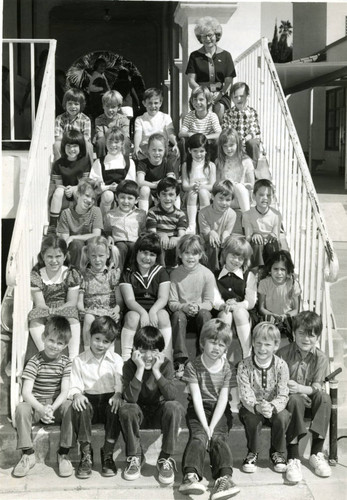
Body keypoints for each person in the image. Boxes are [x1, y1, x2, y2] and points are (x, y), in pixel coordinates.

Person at [179, 319, 240, 499]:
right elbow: (196, 397)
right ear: (202, 342)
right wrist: (205, 426)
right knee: (199, 437)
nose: (216, 348)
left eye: (222, 345)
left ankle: (224, 479)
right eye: (213, 342)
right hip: (199, 409)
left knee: (218, 438)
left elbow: (223, 399)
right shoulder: (193, 366)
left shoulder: (228, 368)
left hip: (220, 410)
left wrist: (212, 426)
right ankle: (190, 476)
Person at [118, 326, 184, 484]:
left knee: (174, 406)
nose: (148, 355)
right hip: (138, 414)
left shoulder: (165, 365)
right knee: (127, 408)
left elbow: (172, 395)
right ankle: (135, 456)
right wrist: (140, 368)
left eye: (153, 350)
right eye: (142, 349)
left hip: (159, 414)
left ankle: (165, 458)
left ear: (160, 351)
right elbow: (130, 398)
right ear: (135, 349)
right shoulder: (129, 365)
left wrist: (156, 371)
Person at [13, 316, 73, 478]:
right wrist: (41, 408)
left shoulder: (66, 363)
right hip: (37, 407)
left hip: (55, 408)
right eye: (51, 340)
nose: (55, 346)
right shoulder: (35, 361)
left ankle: (64, 454)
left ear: (66, 345)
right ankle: (28, 454)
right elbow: (26, 392)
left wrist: (52, 408)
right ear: (44, 337)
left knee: (69, 405)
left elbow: (64, 391)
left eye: (60, 343)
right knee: (21, 408)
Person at [277, 311, 332, 483]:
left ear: (317, 337)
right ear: (293, 333)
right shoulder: (282, 353)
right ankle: (293, 457)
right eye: (301, 333)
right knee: (294, 399)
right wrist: (298, 392)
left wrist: (303, 389)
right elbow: (278, 382)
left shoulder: (321, 358)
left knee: (324, 398)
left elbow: (317, 386)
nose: (306, 339)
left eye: (311, 335)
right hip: (290, 399)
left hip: (311, 397)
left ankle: (316, 452)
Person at [68, 316, 123, 479]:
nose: (100, 344)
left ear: (112, 343)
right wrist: (77, 394)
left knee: (117, 406)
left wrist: (118, 394)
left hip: (108, 401)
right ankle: (86, 453)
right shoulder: (79, 360)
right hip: (89, 401)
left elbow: (120, 382)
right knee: (80, 405)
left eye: (106, 341)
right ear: (90, 337)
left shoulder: (116, 359)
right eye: (97, 339)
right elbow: (75, 384)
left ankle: (107, 452)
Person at [237, 322, 290, 474]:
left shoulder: (281, 366)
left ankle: (278, 452)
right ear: (252, 342)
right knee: (252, 418)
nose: (262, 348)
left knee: (283, 416)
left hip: (274, 407)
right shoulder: (244, 365)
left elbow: (283, 393)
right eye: (258, 343)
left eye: (267, 344)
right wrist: (257, 407)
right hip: (251, 407)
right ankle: (253, 452)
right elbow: (245, 392)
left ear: (276, 345)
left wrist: (272, 407)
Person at [119, 233, 172, 361]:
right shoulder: (128, 272)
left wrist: (153, 311)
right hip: (136, 309)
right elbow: (129, 300)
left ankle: (165, 358)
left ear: (157, 257)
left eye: (152, 255)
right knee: (132, 317)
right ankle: (125, 359)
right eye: (144, 253)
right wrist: (143, 313)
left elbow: (163, 298)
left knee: (163, 315)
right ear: (136, 252)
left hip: (155, 307)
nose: (147, 258)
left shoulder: (161, 272)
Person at [168, 234, 215, 379]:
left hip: (199, 317)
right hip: (182, 317)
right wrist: (184, 307)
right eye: (187, 252)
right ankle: (180, 362)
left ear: (200, 255)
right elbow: (172, 302)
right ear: (180, 254)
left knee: (206, 314)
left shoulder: (207, 274)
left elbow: (209, 302)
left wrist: (198, 307)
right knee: (178, 316)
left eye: (194, 253)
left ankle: (204, 359)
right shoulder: (175, 274)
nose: (190, 257)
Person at [28, 235, 81, 359]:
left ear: (65, 256)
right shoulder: (37, 275)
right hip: (45, 307)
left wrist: (58, 310)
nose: (54, 261)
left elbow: (72, 301)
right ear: (43, 256)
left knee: (72, 315)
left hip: (64, 307)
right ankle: (46, 355)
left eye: (58, 256)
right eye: (49, 256)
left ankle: (73, 357)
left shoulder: (70, 273)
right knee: (34, 317)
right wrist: (48, 310)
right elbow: (39, 302)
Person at [213, 235, 257, 359]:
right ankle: (222, 358)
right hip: (223, 313)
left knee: (239, 312)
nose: (236, 260)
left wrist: (238, 305)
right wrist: (223, 305)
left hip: (244, 315)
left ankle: (247, 356)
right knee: (226, 314)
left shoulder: (249, 276)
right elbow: (215, 298)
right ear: (224, 254)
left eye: (240, 258)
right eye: (233, 255)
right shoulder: (214, 275)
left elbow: (251, 301)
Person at [186, 16, 236, 123]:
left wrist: (221, 93)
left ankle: (217, 138)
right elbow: (191, 81)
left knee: (220, 107)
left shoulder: (226, 55)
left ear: (216, 35)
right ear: (200, 38)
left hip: (220, 94)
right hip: (200, 94)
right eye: (204, 36)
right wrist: (204, 93)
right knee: (202, 112)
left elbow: (228, 81)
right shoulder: (194, 56)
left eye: (210, 35)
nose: (208, 39)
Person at [78, 236, 122, 349]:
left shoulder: (112, 274)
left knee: (108, 321)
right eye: (93, 256)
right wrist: (83, 311)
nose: (97, 260)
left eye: (101, 256)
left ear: (107, 255)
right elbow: (79, 301)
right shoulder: (83, 275)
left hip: (108, 310)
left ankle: (110, 353)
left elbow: (119, 301)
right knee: (88, 318)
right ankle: (87, 350)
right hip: (90, 311)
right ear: (88, 255)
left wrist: (116, 310)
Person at [48, 129, 91, 234]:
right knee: (58, 192)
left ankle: (83, 224)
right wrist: (66, 189)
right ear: (63, 147)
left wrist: (74, 188)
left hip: (78, 190)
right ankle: (53, 224)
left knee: (84, 192)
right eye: (68, 146)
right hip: (63, 192)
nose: (72, 149)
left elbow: (85, 181)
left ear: (81, 147)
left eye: (75, 146)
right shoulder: (59, 164)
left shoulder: (85, 161)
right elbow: (58, 185)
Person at [57, 178, 103, 268]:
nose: (90, 200)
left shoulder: (96, 211)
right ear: (78, 194)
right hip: (73, 251)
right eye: (87, 195)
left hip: (90, 250)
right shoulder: (66, 213)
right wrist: (73, 239)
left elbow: (97, 235)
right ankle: (75, 275)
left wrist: (74, 236)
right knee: (76, 244)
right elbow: (66, 241)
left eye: (93, 198)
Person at [90, 127, 136, 216]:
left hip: (124, 197)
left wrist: (119, 187)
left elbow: (131, 184)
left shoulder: (129, 162)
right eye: (110, 141)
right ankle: (104, 223)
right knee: (108, 195)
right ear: (105, 143)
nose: (113, 145)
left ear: (122, 143)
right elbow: (94, 185)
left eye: (116, 142)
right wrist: (108, 188)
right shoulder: (99, 162)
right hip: (105, 198)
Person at [133, 87, 180, 175]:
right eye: (150, 103)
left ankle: (172, 176)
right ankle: (145, 175)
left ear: (160, 103)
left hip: (163, 147)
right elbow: (138, 134)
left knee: (174, 153)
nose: (153, 106)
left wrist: (175, 143)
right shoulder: (140, 119)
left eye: (156, 103)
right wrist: (136, 146)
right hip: (146, 147)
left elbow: (170, 132)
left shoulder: (165, 117)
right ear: (144, 103)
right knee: (138, 155)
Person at [258, 250, 301, 342]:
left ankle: (293, 346)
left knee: (295, 322)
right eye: (275, 269)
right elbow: (261, 308)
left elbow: (296, 310)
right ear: (270, 270)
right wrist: (272, 315)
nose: (279, 273)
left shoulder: (293, 284)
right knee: (266, 321)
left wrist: (285, 316)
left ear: (288, 271)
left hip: (287, 318)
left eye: (283, 269)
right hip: (270, 317)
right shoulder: (264, 283)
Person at [105, 180, 146, 272]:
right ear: (116, 197)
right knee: (121, 248)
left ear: (136, 200)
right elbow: (107, 230)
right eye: (122, 197)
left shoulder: (141, 214)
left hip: (134, 242)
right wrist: (109, 236)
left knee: (134, 247)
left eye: (130, 198)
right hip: (118, 242)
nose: (126, 201)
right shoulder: (110, 215)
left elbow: (144, 230)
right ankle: (118, 273)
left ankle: (133, 272)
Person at [146, 177, 187, 269]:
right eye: (164, 194)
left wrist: (176, 239)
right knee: (157, 243)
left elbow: (182, 236)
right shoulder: (152, 212)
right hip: (159, 244)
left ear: (176, 197)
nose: (167, 198)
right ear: (158, 195)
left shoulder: (180, 214)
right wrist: (161, 234)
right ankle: (161, 269)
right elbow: (151, 233)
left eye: (171, 194)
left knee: (181, 244)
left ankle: (176, 268)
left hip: (173, 244)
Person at [242, 179, 281, 270]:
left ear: (272, 197)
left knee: (273, 243)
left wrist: (272, 235)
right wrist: (254, 235)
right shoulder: (247, 215)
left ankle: (271, 270)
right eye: (261, 195)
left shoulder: (276, 215)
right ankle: (254, 271)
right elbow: (248, 237)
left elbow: (276, 235)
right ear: (253, 196)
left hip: (269, 247)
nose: (265, 198)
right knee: (256, 242)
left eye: (268, 195)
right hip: (256, 248)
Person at [181, 133, 216, 234]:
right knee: (193, 193)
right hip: (190, 193)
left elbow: (212, 186)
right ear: (189, 150)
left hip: (206, 194)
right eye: (195, 151)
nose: (198, 154)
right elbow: (184, 186)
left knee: (203, 193)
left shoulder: (210, 165)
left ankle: (205, 223)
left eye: (201, 151)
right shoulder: (186, 165)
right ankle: (192, 225)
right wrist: (193, 186)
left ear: (206, 151)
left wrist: (201, 187)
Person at [198, 180, 236, 271]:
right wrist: (211, 232)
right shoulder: (203, 213)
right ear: (212, 197)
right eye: (221, 198)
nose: (224, 203)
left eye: (228, 200)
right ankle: (213, 271)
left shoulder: (232, 214)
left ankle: (227, 270)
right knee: (213, 244)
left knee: (233, 242)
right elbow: (205, 235)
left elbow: (227, 231)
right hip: (207, 244)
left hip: (222, 242)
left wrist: (225, 237)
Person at [216, 127, 255, 213]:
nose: (228, 149)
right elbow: (217, 184)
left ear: (238, 144)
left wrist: (242, 185)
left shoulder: (246, 161)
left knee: (239, 187)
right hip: (226, 198)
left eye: (231, 145)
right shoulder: (220, 162)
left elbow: (252, 185)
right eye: (225, 146)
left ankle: (247, 218)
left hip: (242, 198)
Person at [222, 82, 261, 166]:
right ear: (232, 98)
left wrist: (243, 141)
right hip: (233, 142)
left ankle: (252, 170)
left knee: (253, 143)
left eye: (241, 96)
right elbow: (227, 131)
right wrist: (236, 142)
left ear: (247, 95)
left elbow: (253, 132)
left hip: (247, 142)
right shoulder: (228, 113)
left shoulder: (252, 112)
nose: (239, 99)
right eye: (235, 97)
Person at [179, 86, 221, 162]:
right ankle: (184, 166)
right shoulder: (190, 116)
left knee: (217, 142)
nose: (198, 103)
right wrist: (190, 134)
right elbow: (181, 133)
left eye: (201, 99)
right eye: (195, 100)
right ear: (191, 101)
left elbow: (219, 134)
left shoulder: (212, 116)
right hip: (193, 146)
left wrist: (204, 137)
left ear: (208, 101)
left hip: (207, 146)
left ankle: (214, 166)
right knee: (182, 141)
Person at [136, 133, 176, 213]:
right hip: (148, 196)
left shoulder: (167, 163)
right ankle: (143, 217)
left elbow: (171, 180)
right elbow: (140, 182)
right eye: (153, 150)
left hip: (162, 194)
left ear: (165, 150)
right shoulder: (143, 163)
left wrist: (160, 185)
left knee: (173, 192)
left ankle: (174, 216)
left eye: (160, 150)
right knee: (144, 189)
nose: (157, 153)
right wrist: (155, 185)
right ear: (148, 150)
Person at [53, 88, 93, 164]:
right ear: (65, 104)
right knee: (56, 144)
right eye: (70, 103)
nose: (73, 106)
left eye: (76, 104)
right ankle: (59, 167)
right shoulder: (60, 118)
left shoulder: (85, 119)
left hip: (81, 144)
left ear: (81, 105)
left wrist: (75, 143)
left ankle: (89, 169)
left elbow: (86, 137)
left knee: (89, 145)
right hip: (65, 144)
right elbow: (58, 137)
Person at [94, 90, 131, 158]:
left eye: (113, 107)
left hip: (119, 143)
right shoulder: (99, 120)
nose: (110, 110)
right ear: (103, 106)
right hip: (106, 143)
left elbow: (125, 136)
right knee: (100, 142)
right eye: (107, 106)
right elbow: (100, 136)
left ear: (118, 107)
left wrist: (116, 143)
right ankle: (102, 163)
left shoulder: (124, 119)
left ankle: (125, 163)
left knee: (127, 141)